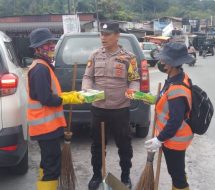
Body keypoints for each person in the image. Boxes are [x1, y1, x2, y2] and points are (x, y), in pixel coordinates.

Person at [82, 21, 140, 190]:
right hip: (98, 108)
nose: (103, 37)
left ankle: (125, 176)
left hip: (120, 109)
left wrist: (132, 91)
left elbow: (134, 80)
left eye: (107, 34)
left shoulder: (129, 58)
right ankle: (96, 175)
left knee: (124, 144)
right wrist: (86, 89)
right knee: (97, 145)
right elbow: (88, 77)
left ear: (117, 36)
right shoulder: (94, 55)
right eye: (101, 34)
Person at [27, 28, 84, 190]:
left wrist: (69, 94)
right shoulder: (40, 69)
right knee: (52, 166)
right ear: (37, 48)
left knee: (47, 162)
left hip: (48, 127)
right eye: (46, 44)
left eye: (52, 43)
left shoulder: (44, 66)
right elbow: (46, 99)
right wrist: (68, 98)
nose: (51, 46)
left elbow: (49, 93)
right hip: (45, 128)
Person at [144, 42, 195, 190]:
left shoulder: (177, 88)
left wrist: (159, 139)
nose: (161, 62)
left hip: (175, 140)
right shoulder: (175, 77)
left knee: (177, 176)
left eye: (163, 60)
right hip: (172, 138)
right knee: (177, 171)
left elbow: (175, 121)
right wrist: (150, 98)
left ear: (172, 64)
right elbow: (166, 101)